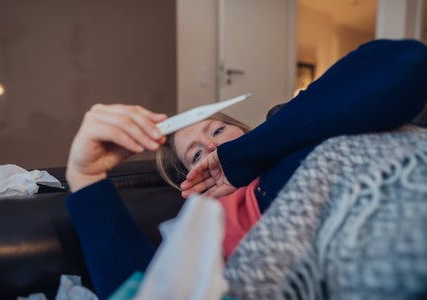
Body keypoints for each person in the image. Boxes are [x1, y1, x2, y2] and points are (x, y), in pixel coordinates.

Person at [65, 39, 427, 299]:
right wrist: (86, 177)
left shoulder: (294, 123)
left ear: (245, 131)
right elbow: (149, 290)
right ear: (193, 182)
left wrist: (246, 153)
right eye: (196, 155)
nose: (212, 147)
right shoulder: (211, 224)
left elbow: (408, 61)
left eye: (219, 131)